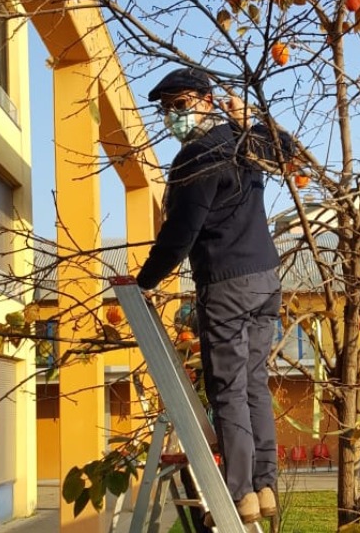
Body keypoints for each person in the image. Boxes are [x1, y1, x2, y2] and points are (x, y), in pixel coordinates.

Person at [136, 67, 294, 524]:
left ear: (206, 100)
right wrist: (249, 118)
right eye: (167, 110)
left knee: (228, 391)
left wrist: (145, 281)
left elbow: (179, 235)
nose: (173, 117)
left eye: (180, 106)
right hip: (267, 279)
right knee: (253, 386)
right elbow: (286, 150)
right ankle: (264, 487)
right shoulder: (245, 141)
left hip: (226, 283)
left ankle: (239, 494)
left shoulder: (195, 157)